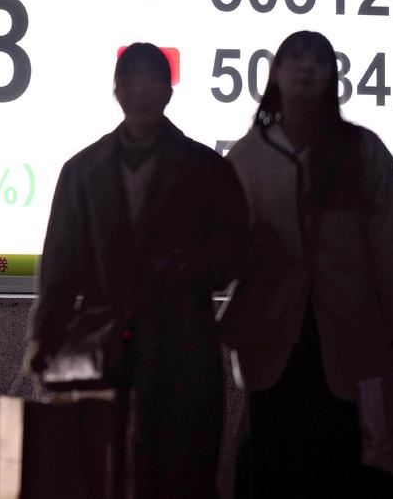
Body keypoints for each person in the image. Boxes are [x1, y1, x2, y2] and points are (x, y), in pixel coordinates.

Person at [24, 43, 249, 499]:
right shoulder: (81, 171)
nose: (143, 90)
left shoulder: (207, 169)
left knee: (183, 477)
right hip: (103, 351)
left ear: (169, 91)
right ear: (117, 90)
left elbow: (232, 257)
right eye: (132, 79)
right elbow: (59, 274)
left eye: (153, 79)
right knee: (106, 478)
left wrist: (188, 266)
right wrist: (43, 345)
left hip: (184, 347)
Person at [222, 31, 393, 498]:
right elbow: (225, 246)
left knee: (351, 459)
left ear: (334, 74)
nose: (306, 67)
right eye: (295, 57)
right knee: (274, 460)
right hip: (273, 332)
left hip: (353, 328)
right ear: (276, 73)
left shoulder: (364, 150)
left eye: (318, 59)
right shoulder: (248, 155)